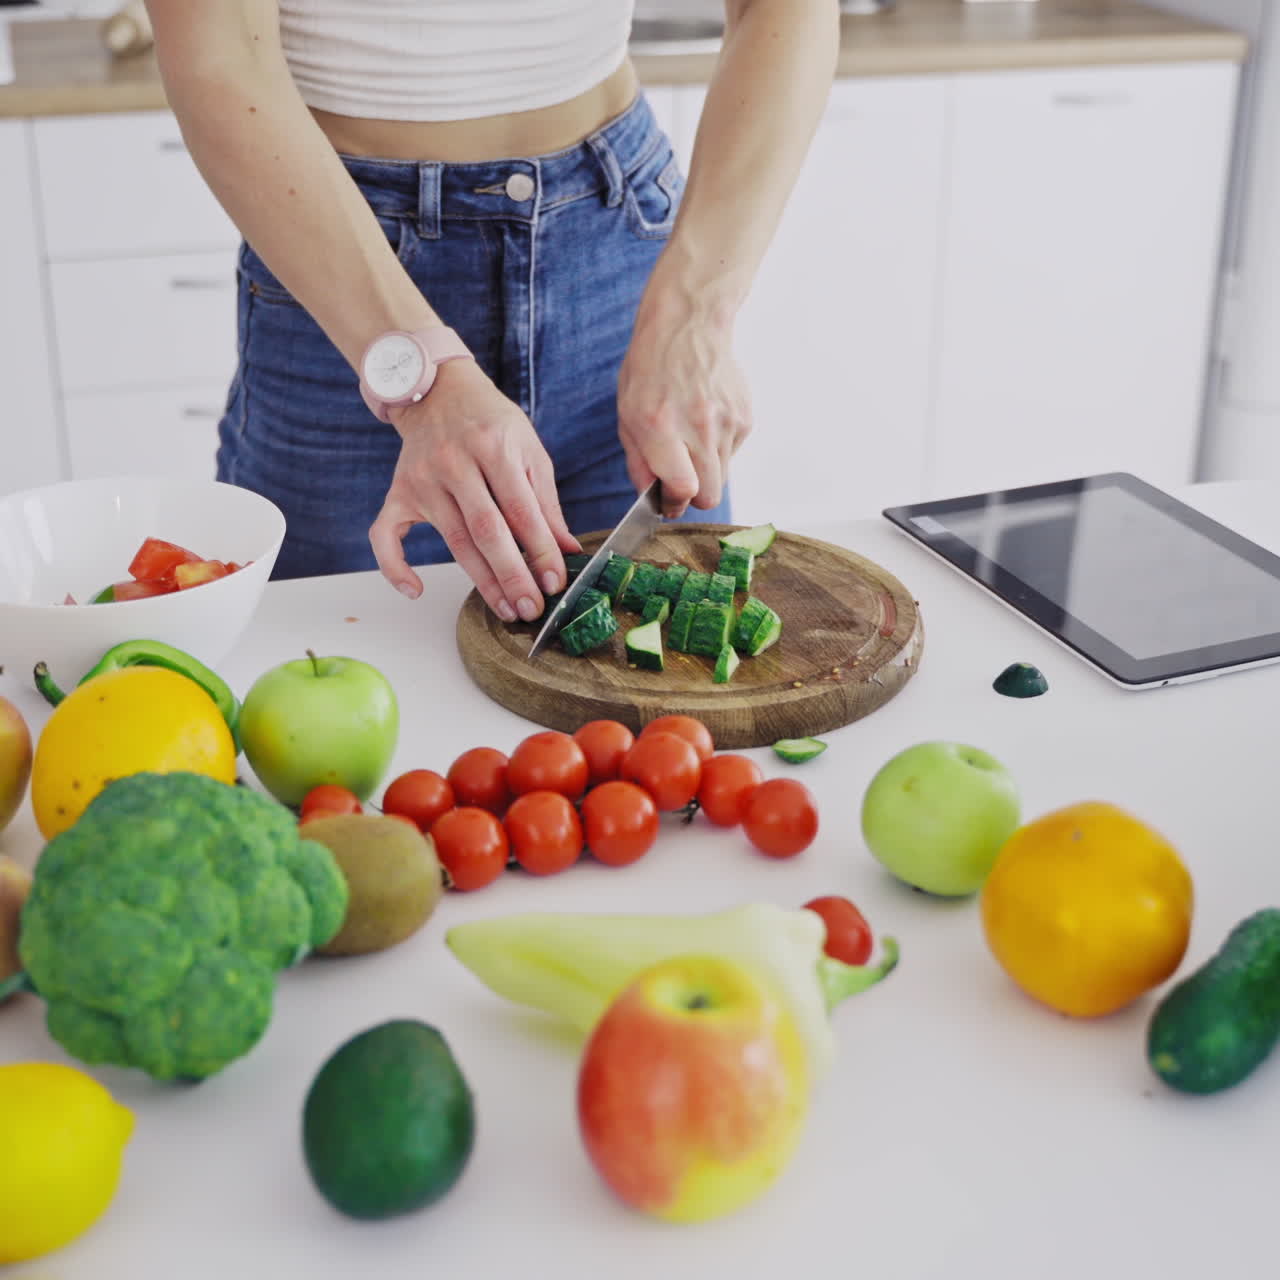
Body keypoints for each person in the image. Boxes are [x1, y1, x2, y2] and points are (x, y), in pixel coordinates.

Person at [144, 0, 840, 623]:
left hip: (615, 250)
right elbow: (219, 57)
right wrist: (419, 371)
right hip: (341, 268)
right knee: (322, 676)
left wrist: (695, 310)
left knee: (679, 696)